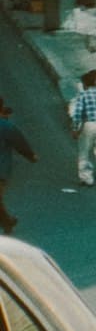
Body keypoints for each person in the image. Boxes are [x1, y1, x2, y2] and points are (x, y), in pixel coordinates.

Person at [0, 98, 36, 233]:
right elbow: (19, 142)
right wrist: (30, 156)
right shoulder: (7, 126)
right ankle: (7, 221)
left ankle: (7, 222)